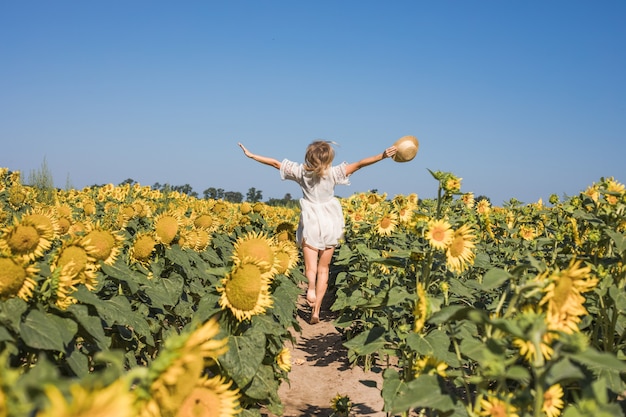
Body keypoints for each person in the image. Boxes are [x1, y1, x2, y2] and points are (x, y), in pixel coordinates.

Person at [238, 140, 397, 324]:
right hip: (331, 220)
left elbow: (275, 163)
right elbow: (361, 164)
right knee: (324, 269)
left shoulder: (301, 172)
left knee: (311, 267)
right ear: (329, 158)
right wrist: (383, 155)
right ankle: (316, 311)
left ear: (309, 156)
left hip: (311, 220)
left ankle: (310, 288)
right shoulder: (335, 173)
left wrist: (252, 155)